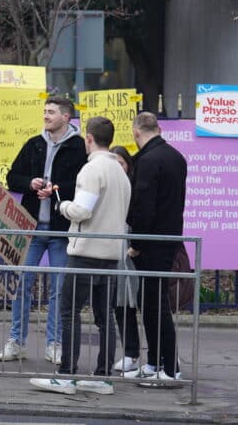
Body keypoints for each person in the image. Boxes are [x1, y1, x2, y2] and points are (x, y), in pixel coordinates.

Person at [29, 116, 131, 395]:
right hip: (111, 253)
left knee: (69, 312)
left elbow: (82, 211)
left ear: (88, 138)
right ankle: (102, 376)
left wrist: (63, 206)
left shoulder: (91, 170)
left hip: (86, 251)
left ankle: (67, 374)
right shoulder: (120, 172)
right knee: (104, 316)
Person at [0, 96, 87, 364]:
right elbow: (12, 177)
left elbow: (83, 185)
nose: (46, 116)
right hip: (31, 228)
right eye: (45, 111)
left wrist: (57, 189)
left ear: (66, 117)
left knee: (59, 289)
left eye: (51, 112)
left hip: (61, 229)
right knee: (21, 283)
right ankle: (16, 342)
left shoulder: (79, 147)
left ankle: (54, 344)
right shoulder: (34, 144)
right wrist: (30, 183)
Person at [125, 112, 187, 382]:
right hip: (169, 238)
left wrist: (136, 244)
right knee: (152, 305)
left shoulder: (148, 160)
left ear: (136, 132)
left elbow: (143, 206)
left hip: (152, 244)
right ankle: (154, 363)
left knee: (155, 306)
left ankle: (170, 368)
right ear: (158, 128)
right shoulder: (175, 156)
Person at [109, 145, 141, 373]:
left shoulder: (135, 187)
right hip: (113, 253)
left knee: (147, 306)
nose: (117, 167)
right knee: (121, 305)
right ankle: (131, 352)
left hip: (132, 251)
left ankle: (162, 357)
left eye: (121, 162)